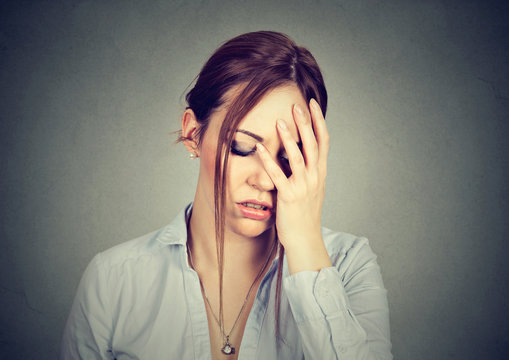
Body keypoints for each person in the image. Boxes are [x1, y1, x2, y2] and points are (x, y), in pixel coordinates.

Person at [60, 31, 392, 360]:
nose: (265, 179)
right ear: (192, 134)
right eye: (242, 147)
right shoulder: (114, 281)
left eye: (289, 157)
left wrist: (305, 243)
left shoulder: (348, 264)